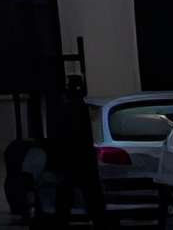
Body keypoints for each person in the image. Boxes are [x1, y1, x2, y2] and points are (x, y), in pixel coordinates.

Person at [47, 77, 107, 230]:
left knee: (65, 196)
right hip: (84, 160)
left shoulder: (64, 111)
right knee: (91, 197)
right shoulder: (85, 110)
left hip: (70, 160)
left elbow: (58, 138)